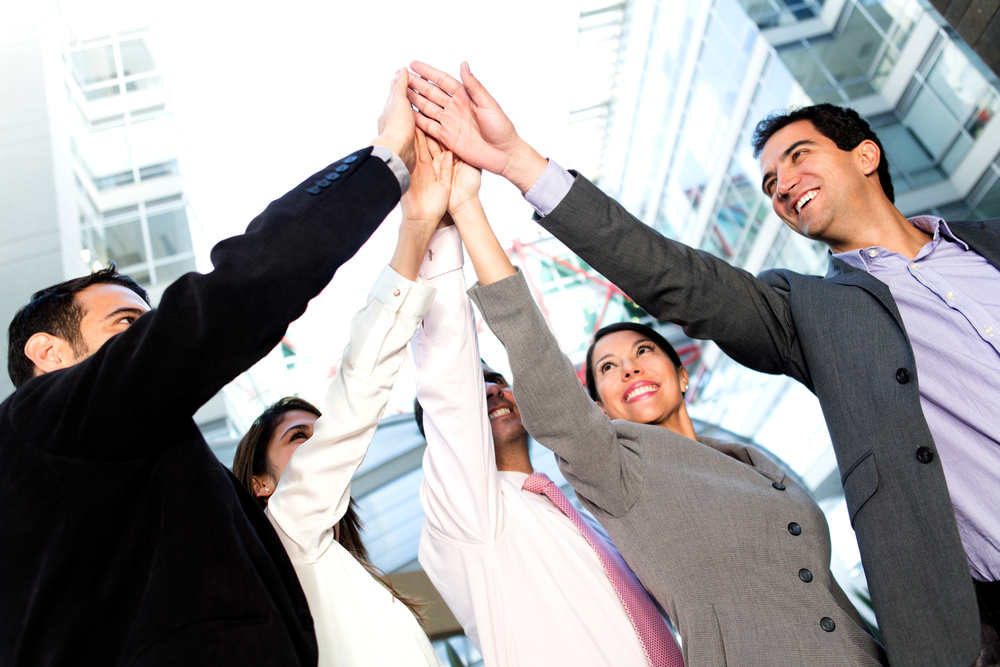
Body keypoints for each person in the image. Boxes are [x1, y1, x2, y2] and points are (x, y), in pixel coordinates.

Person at [405, 62, 1000, 666]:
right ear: (596, 399)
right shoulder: (806, 318)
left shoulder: (760, 465)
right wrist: (512, 169)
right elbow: (667, 277)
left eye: (797, 157)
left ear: (866, 155)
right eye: (769, 182)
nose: (782, 184)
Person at [0, 68, 416, 667]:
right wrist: (384, 164)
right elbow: (238, 293)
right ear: (48, 353)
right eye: (125, 326)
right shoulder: (47, 419)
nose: (148, 338)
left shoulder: (122, 482)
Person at [436, 149, 886, 665]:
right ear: (598, 407)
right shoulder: (615, 469)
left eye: (643, 352)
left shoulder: (750, 463)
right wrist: (469, 209)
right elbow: (537, 359)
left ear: (681, 375)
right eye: (607, 369)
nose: (628, 368)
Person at [412, 152, 683, 666]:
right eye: (478, 388)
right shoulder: (465, 517)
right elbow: (447, 383)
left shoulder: (580, 507)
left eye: (497, 381)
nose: (492, 392)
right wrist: (444, 225)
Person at [231, 127, 451, 667]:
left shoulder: (341, 567)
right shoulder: (284, 535)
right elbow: (360, 385)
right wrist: (417, 230)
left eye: (318, 428)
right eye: (299, 436)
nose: (321, 437)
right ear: (259, 484)